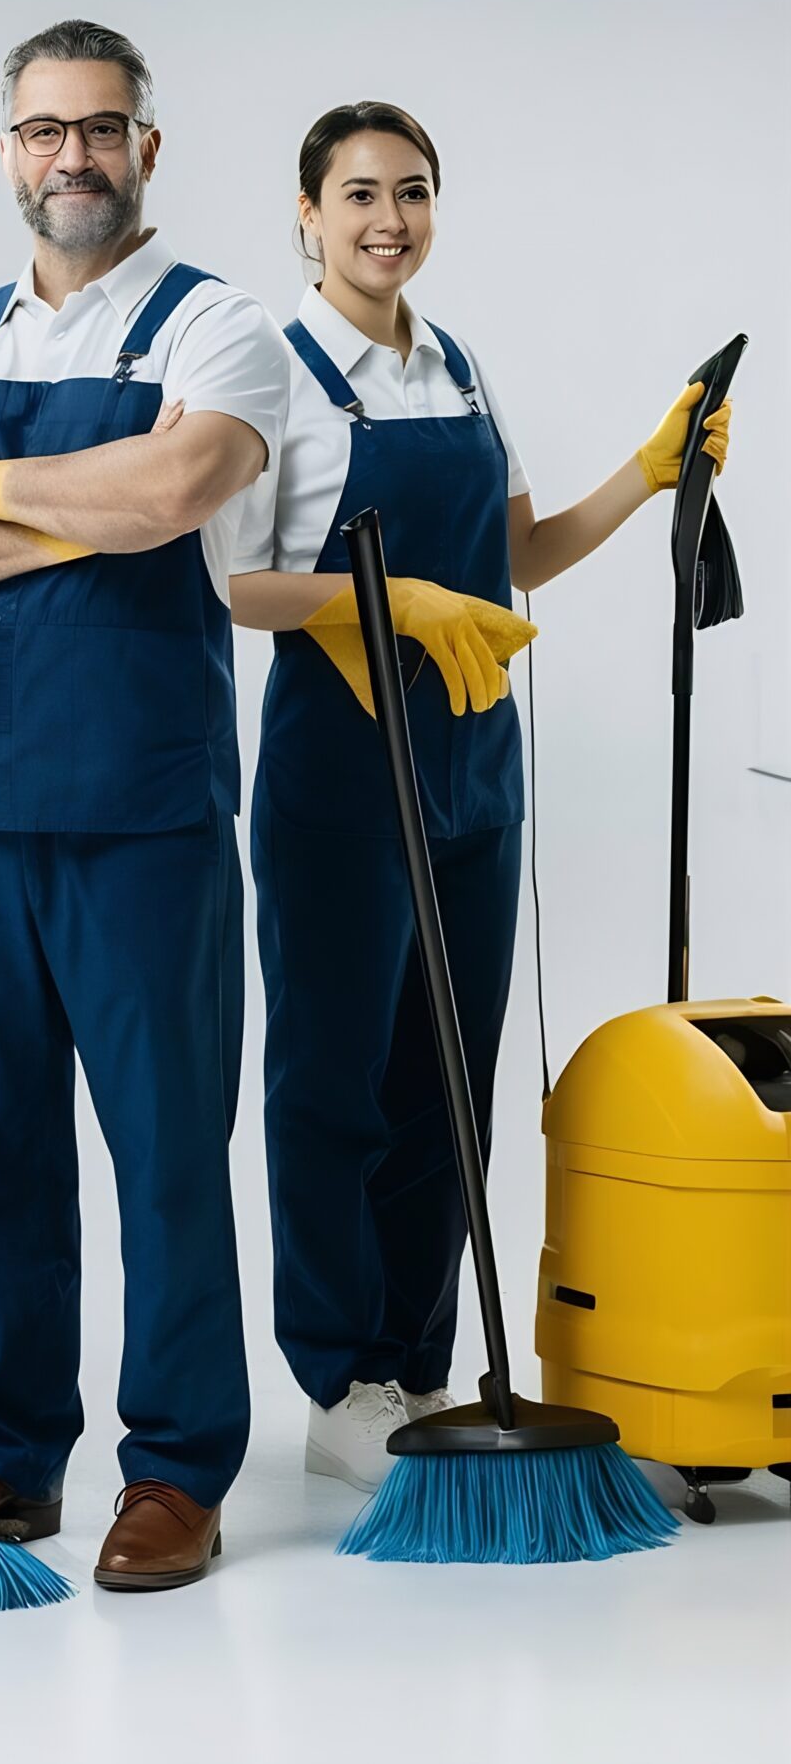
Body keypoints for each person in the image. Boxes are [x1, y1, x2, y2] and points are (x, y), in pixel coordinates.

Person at [232, 100, 732, 1491]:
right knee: (333, 1084)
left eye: (412, 190)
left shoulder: (455, 367)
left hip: (471, 774)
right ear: (307, 215)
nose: (387, 218)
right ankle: (341, 1381)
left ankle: (422, 1362)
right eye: (357, 195)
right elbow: (233, 583)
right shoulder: (270, 374)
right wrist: (389, 599)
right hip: (338, 775)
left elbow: (522, 555)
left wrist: (649, 469)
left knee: (448, 1081)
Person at [0, 18, 287, 1590]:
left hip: (144, 815)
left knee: (167, 1151)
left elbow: (178, 495)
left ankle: (174, 1467)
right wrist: (70, 506)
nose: (74, 157)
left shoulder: (220, 326)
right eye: (45, 132)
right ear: (9, 154)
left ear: (148, 149)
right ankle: (7, 1447)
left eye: (102, 129)